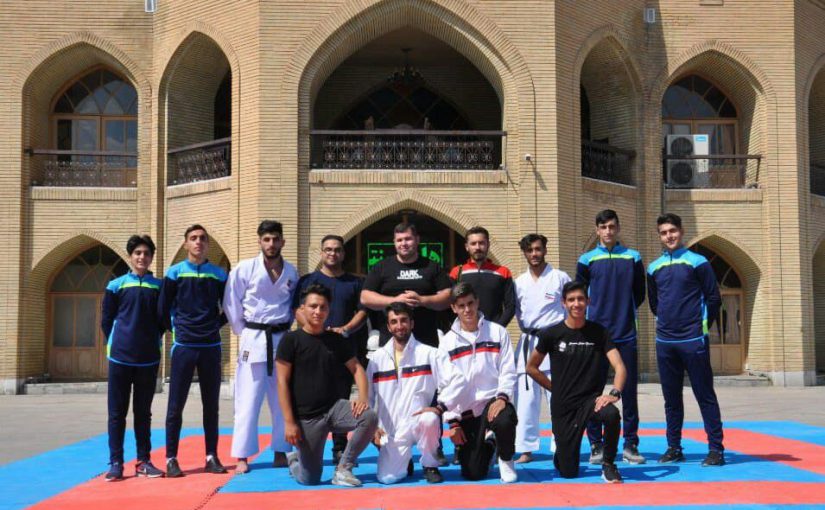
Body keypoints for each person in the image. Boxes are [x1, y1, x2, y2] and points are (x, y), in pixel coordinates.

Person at [276, 284, 378, 487]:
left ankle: (343, 468)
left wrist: (363, 398)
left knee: (369, 417)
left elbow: (357, 369)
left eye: (323, 307)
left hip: (334, 409)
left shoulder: (336, 339)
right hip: (307, 418)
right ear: (302, 309)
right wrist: (289, 422)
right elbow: (282, 382)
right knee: (309, 479)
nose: (318, 311)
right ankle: (294, 461)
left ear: (328, 310)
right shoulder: (290, 340)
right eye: (313, 306)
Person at [525, 281, 627, 483]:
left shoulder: (600, 332)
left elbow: (620, 366)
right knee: (568, 471)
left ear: (588, 301)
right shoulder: (551, 334)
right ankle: (562, 454)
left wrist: (614, 393)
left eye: (580, 299)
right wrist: (554, 388)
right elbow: (531, 367)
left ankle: (608, 464)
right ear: (563, 303)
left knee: (612, 414)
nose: (576, 304)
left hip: (591, 402)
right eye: (571, 300)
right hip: (564, 405)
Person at [648, 213, 725, 466]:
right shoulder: (653, 267)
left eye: (672, 231)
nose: (669, 236)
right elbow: (654, 303)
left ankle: (716, 449)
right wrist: (667, 323)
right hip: (665, 342)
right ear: (659, 236)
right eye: (663, 233)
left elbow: (713, 298)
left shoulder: (698, 262)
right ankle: (674, 447)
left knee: (705, 395)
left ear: (681, 231)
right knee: (671, 399)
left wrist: (701, 328)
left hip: (693, 340)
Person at [224, 220, 298, 473]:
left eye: (275, 239)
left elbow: (294, 305)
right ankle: (242, 456)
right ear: (259, 241)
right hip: (253, 336)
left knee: (282, 398)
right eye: (266, 239)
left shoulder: (291, 272)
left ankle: (280, 450)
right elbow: (231, 302)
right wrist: (243, 331)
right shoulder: (245, 268)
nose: (271, 244)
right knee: (248, 400)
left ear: (282, 241)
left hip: (282, 338)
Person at [368, 302, 468, 484]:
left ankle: (430, 464)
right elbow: (367, 397)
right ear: (388, 327)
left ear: (412, 323)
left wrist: (440, 407)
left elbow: (458, 380)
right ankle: (402, 459)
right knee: (387, 478)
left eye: (404, 320)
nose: (400, 326)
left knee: (430, 419)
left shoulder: (430, 354)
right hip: (390, 431)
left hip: (418, 422)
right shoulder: (376, 359)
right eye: (394, 322)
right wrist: (372, 427)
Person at [577, 210, 647, 465]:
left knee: (629, 391)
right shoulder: (586, 260)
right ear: (597, 230)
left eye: (612, 226)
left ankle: (630, 444)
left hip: (625, 333)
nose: (608, 231)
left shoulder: (633, 257)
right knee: (592, 390)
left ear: (618, 228)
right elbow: (580, 295)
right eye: (603, 227)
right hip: (596, 335)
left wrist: (623, 313)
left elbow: (639, 294)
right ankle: (596, 444)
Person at [158, 224, 228, 478]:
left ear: (208, 244)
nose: (198, 242)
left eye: (202, 239)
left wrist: (213, 325)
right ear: (186, 243)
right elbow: (162, 308)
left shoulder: (219, 274)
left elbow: (229, 307)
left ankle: (211, 456)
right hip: (184, 347)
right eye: (193, 238)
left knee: (211, 406)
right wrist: (177, 329)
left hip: (210, 347)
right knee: (175, 405)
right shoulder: (174, 272)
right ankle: (171, 459)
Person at [293, 235, 368, 465]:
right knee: (310, 396)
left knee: (341, 398)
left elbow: (362, 311)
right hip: (313, 350)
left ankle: (340, 448)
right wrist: (315, 329)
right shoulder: (308, 281)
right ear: (321, 252)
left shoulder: (354, 283)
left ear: (343, 253)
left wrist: (345, 329)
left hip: (343, 349)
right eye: (328, 249)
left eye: (337, 250)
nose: (332, 253)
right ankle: (306, 446)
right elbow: (297, 310)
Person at [440, 283, 519, 483]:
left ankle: (506, 459)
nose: (467, 309)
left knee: (505, 419)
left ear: (477, 302)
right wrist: (453, 422)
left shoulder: (498, 332)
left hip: (494, 401)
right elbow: (444, 385)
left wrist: (502, 398)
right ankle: (491, 445)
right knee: (473, 473)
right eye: (461, 306)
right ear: (454, 308)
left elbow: (508, 370)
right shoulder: (447, 343)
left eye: (470, 303)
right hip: (467, 410)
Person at [101, 235, 164, 481]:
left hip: (148, 359)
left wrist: (151, 340)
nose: (142, 257)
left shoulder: (158, 286)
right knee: (117, 413)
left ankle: (143, 461)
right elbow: (106, 320)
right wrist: (117, 343)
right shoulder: (115, 286)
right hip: (120, 358)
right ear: (130, 256)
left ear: (151, 257)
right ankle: (116, 463)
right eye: (137, 253)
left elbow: (162, 320)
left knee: (143, 413)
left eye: (146, 253)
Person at [513, 233, 570, 463]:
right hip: (529, 341)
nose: (534, 254)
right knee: (526, 399)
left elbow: (570, 308)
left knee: (558, 396)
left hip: (556, 342)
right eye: (530, 250)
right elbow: (518, 313)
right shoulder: (519, 283)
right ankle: (525, 448)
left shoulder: (560, 277)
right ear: (524, 253)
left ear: (545, 250)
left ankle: (561, 445)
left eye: (538, 249)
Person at [361, 222, 452, 347]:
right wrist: (395, 300)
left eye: (408, 239)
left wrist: (422, 300)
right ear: (394, 242)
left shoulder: (432, 266)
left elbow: (448, 297)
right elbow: (365, 297)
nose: (403, 243)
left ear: (417, 240)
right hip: (390, 342)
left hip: (425, 341)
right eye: (399, 240)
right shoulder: (382, 266)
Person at [449, 226, 516, 327]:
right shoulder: (456, 272)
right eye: (473, 243)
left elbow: (511, 306)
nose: (477, 247)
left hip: (493, 331)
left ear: (488, 244)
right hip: (465, 331)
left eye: (481, 243)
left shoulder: (503, 272)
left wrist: (498, 328)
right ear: (466, 246)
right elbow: (450, 305)